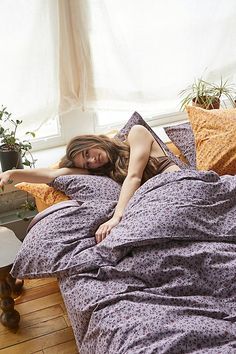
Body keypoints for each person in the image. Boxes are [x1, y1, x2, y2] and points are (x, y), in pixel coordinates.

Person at [0, 125, 180, 243]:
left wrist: (117, 217)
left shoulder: (137, 133)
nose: (93, 160)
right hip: (155, 204)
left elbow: (134, 176)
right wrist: (11, 173)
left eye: (87, 153)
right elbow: (51, 174)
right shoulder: (104, 170)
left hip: (178, 187)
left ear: (92, 141)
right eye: (87, 164)